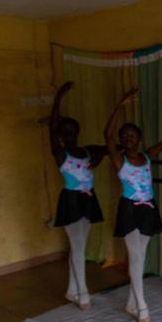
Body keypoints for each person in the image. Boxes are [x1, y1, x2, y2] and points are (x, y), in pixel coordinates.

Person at [104, 88, 162, 322]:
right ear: (121, 140)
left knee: (141, 256)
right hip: (129, 209)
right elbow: (107, 135)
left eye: (132, 136)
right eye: (125, 136)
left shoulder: (147, 156)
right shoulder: (119, 159)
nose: (129, 139)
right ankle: (142, 306)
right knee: (135, 256)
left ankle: (131, 302)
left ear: (139, 139)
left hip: (148, 209)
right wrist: (119, 105)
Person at [49, 81, 107, 310]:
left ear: (78, 132)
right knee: (78, 246)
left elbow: (110, 148)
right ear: (61, 135)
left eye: (73, 131)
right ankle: (83, 292)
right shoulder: (60, 154)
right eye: (65, 132)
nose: (70, 135)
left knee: (79, 247)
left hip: (88, 199)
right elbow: (52, 127)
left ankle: (71, 290)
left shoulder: (87, 150)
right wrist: (58, 97)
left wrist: (100, 156)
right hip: (71, 200)